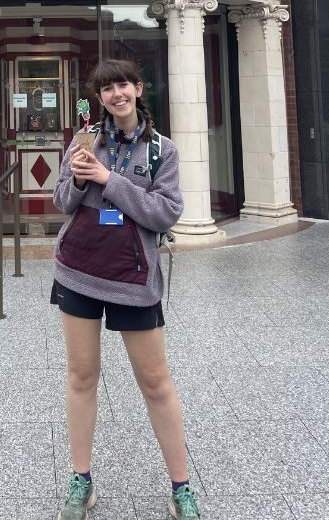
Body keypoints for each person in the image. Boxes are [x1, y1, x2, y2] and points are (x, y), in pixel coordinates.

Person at [51, 58, 200, 520]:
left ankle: (181, 487)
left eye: (123, 86)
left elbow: (166, 212)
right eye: (107, 89)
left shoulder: (162, 151)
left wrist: (108, 180)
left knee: (155, 382)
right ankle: (82, 480)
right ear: (99, 99)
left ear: (138, 89)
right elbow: (61, 203)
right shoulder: (84, 140)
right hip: (78, 270)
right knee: (81, 376)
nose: (116, 95)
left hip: (135, 279)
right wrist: (78, 178)